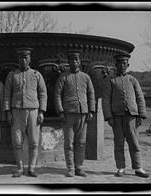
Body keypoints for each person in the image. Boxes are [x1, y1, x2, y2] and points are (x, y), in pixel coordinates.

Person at [102, 52, 150, 178]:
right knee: (118, 143)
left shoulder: (133, 80)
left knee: (134, 142)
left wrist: (141, 115)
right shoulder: (110, 81)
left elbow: (140, 98)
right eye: (119, 63)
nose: (122, 66)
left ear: (127, 65)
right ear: (115, 65)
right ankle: (121, 168)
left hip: (131, 117)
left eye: (124, 63)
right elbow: (106, 100)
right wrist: (109, 117)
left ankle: (138, 167)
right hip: (116, 118)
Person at [4, 47, 47, 177]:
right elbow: (7, 95)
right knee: (17, 141)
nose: (23, 60)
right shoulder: (12, 75)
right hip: (17, 112)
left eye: (25, 58)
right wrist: (8, 112)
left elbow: (43, 93)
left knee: (34, 141)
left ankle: (32, 168)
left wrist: (41, 112)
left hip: (33, 111)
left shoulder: (36, 74)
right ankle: (20, 168)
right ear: (18, 60)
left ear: (29, 59)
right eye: (21, 58)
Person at [54, 49, 96, 177]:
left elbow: (91, 94)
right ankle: (70, 168)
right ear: (69, 62)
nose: (74, 62)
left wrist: (91, 110)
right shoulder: (63, 77)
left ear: (79, 61)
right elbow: (57, 95)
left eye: (76, 59)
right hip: (68, 114)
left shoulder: (86, 77)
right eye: (72, 60)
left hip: (83, 114)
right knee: (69, 143)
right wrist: (60, 111)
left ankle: (79, 166)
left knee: (81, 142)